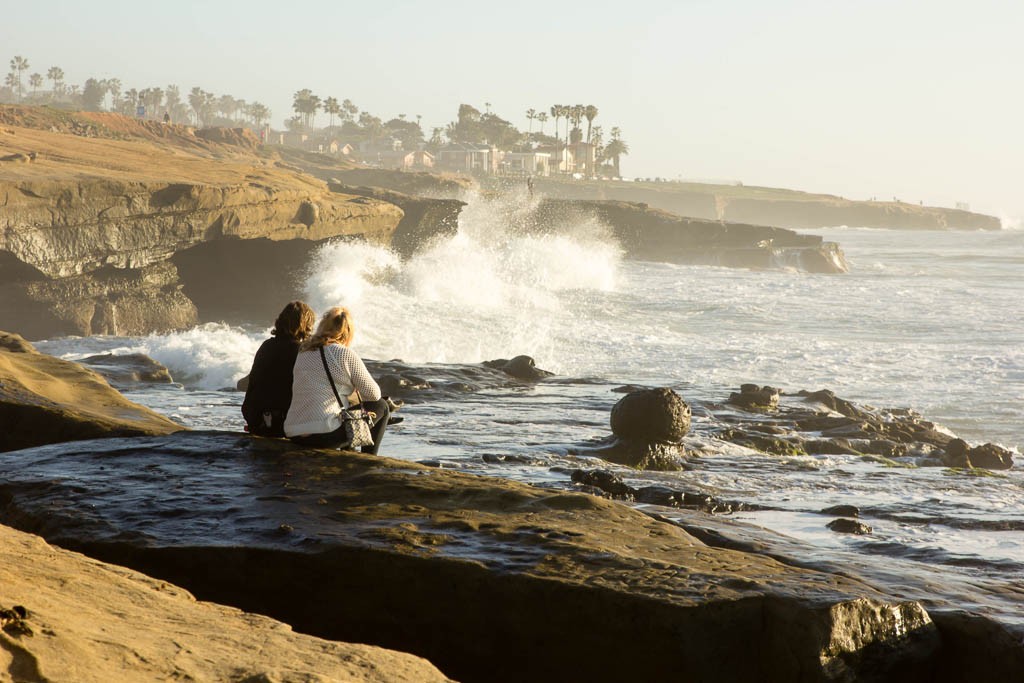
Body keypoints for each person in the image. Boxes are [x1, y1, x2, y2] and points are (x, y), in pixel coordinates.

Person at [284, 306, 391, 454]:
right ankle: (369, 459)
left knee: (340, 408)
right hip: (324, 435)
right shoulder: (344, 353)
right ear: (347, 331)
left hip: (294, 432)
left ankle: (349, 452)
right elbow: (373, 394)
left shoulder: (304, 351)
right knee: (382, 406)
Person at [242, 301, 316, 437]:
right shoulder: (302, 351)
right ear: (306, 325)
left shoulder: (266, 346)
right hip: (283, 423)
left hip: (257, 420)